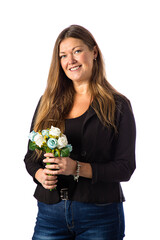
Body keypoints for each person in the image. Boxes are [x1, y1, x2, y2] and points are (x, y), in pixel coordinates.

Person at [24, 24, 136, 240]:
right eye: (63, 55)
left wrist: (77, 168)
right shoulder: (47, 103)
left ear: (94, 52)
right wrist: (40, 175)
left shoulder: (118, 105)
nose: (70, 61)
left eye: (77, 51)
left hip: (100, 215)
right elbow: (30, 158)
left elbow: (125, 168)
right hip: (50, 214)